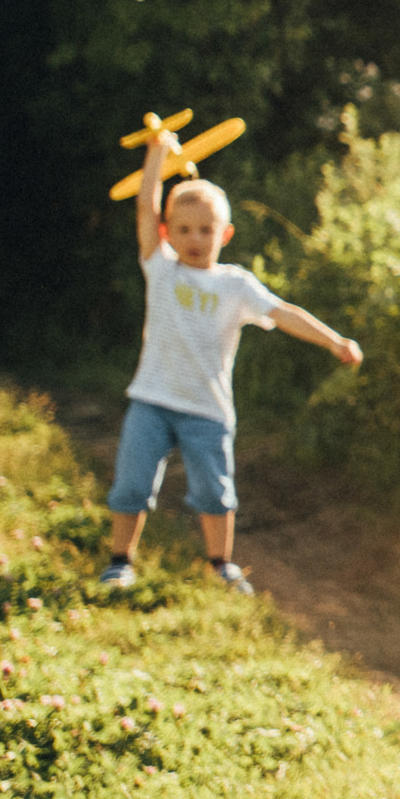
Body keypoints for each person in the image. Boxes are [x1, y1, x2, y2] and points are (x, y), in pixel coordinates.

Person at [103, 130, 362, 593]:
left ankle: (221, 564)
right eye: (182, 229)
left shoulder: (235, 285)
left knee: (215, 494)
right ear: (166, 233)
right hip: (152, 400)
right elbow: (145, 206)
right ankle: (120, 561)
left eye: (205, 230)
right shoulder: (160, 269)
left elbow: (284, 313)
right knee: (131, 484)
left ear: (225, 234)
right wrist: (157, 155)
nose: (194, 239)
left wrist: (334, 341)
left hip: (207, 409)